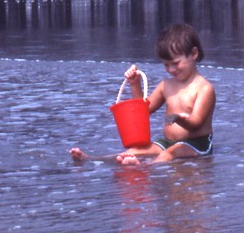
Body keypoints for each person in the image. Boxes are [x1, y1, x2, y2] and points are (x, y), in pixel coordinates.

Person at [70, 22, 215, 165]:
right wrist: (134, 84)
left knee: (170, 153)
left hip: (197, 144)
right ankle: (90, 159)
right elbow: (143, 111)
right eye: (166, 64)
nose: (171, 69)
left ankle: (144, 167)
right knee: (133, 150)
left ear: (194, 54)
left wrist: (180, 119)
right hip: (168, 142)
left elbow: (196, 123)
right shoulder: (166, 85)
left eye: (175, 63)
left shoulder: (204, 88)